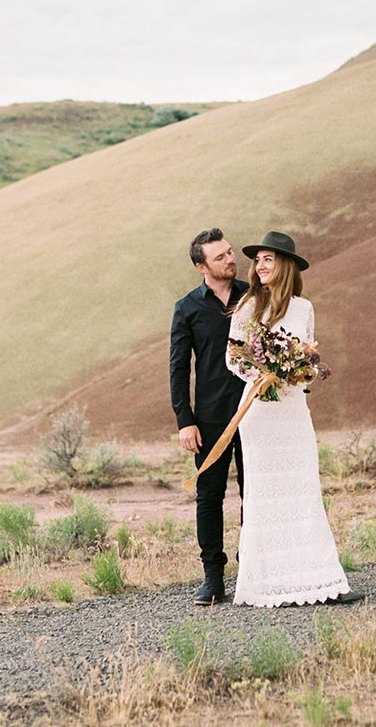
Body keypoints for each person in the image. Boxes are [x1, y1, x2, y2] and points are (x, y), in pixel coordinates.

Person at [225, 231, 363, 607]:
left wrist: (296, 371)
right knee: (265, 497)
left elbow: (309, 356)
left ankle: (319, 581)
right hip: (261, 412)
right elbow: (233, 358)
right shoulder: (247, 307)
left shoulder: (304, 308)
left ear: (284, 264)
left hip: (293, 412)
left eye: (268, 259)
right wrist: (262, 373)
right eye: (258, 260)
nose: (260, 265)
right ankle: (268, 586)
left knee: (303, 491)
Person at [169, 227, 249, 605]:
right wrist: (185, 419)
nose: (231, 260)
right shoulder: (187, 308)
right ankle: (213, 579)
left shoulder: (254, 297)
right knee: (209, 496)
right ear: (202, 266)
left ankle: (252, 568)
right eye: (221, 257)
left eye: (231, 253)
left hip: (255, 411)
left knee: (256, 492)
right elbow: (179, 369)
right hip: (211, 417)